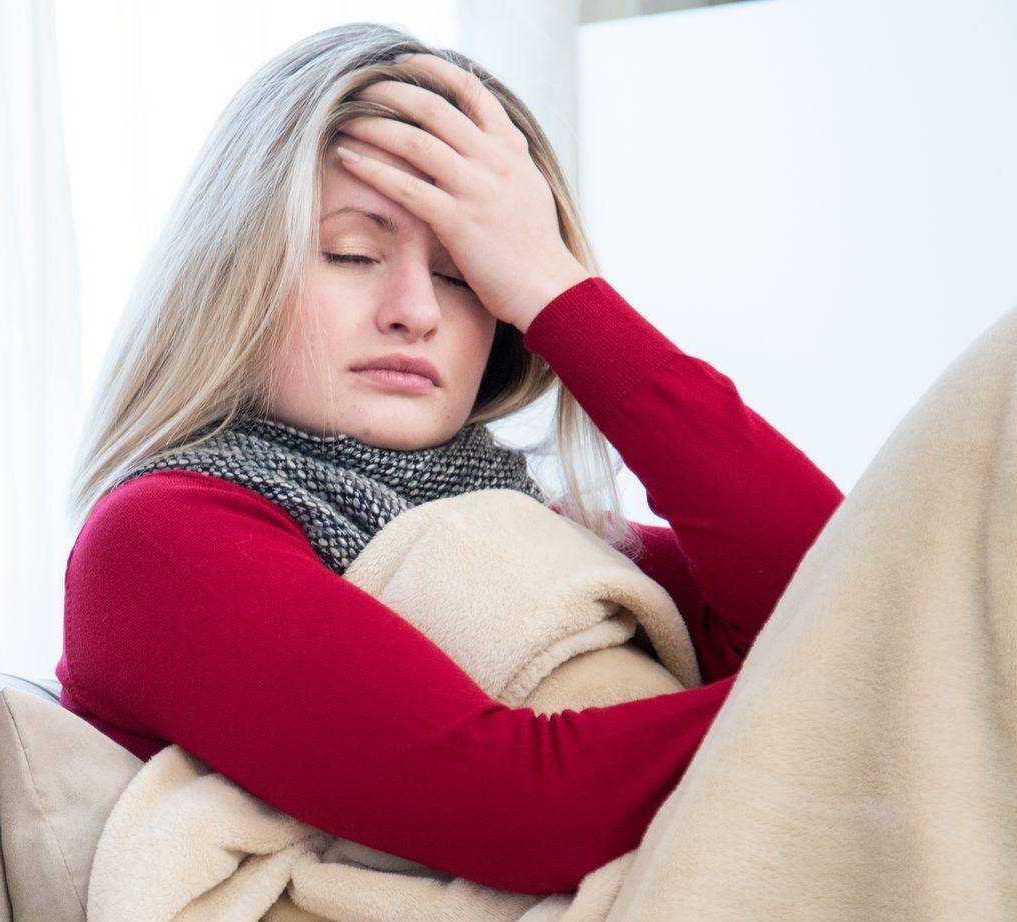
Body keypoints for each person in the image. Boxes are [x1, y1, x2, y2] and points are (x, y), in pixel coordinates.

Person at [54, 24, 845, 897]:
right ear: (236, 271)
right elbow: (521, 803)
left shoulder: (538, 535)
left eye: (467, 273)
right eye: (352, 252)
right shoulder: (160, 540)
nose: (415, 311)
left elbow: (838, 592)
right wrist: (851, 701)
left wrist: (557, 290)